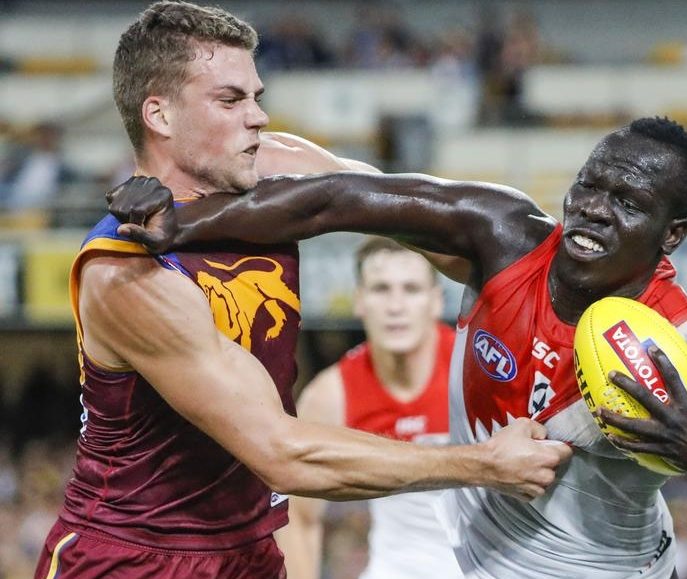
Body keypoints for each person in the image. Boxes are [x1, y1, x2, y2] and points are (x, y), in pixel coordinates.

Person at [110, 115, 687, 579]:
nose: (593, 208)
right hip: (461, 560)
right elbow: (337, 198)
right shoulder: (502, 236)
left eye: (628, 202)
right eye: (589, 185)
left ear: (672, 235)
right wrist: (184, 221)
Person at [34, 3, 572, 578]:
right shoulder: (124, 272)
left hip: (250, 550)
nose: (258, 117)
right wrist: (486, 464)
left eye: (256, 96)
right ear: (159, 115)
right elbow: (282, 454)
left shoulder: (273, 167)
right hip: (132, 557)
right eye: (230, 101)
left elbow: (434, 228)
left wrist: (553, 278)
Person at [276, 237, 463, 579]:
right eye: (381, 289)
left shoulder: (471, 375)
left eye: (411, 289)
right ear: (359, 301)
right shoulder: (332, 395)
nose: (395, 306)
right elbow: (298, 517)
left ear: (436, 301)